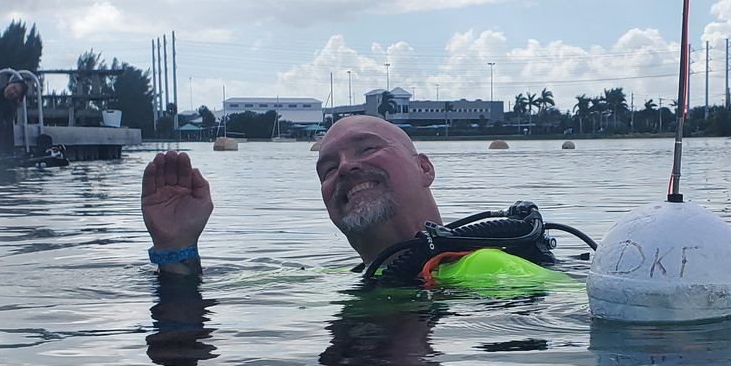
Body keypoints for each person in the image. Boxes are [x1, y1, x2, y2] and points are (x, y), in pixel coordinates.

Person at [141, 115, 589, 285]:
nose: (346, 168)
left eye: (368, 148)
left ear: (425, 168)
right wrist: (175, 249)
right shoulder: (329, 282)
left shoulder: (494, 267)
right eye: (327, 167)